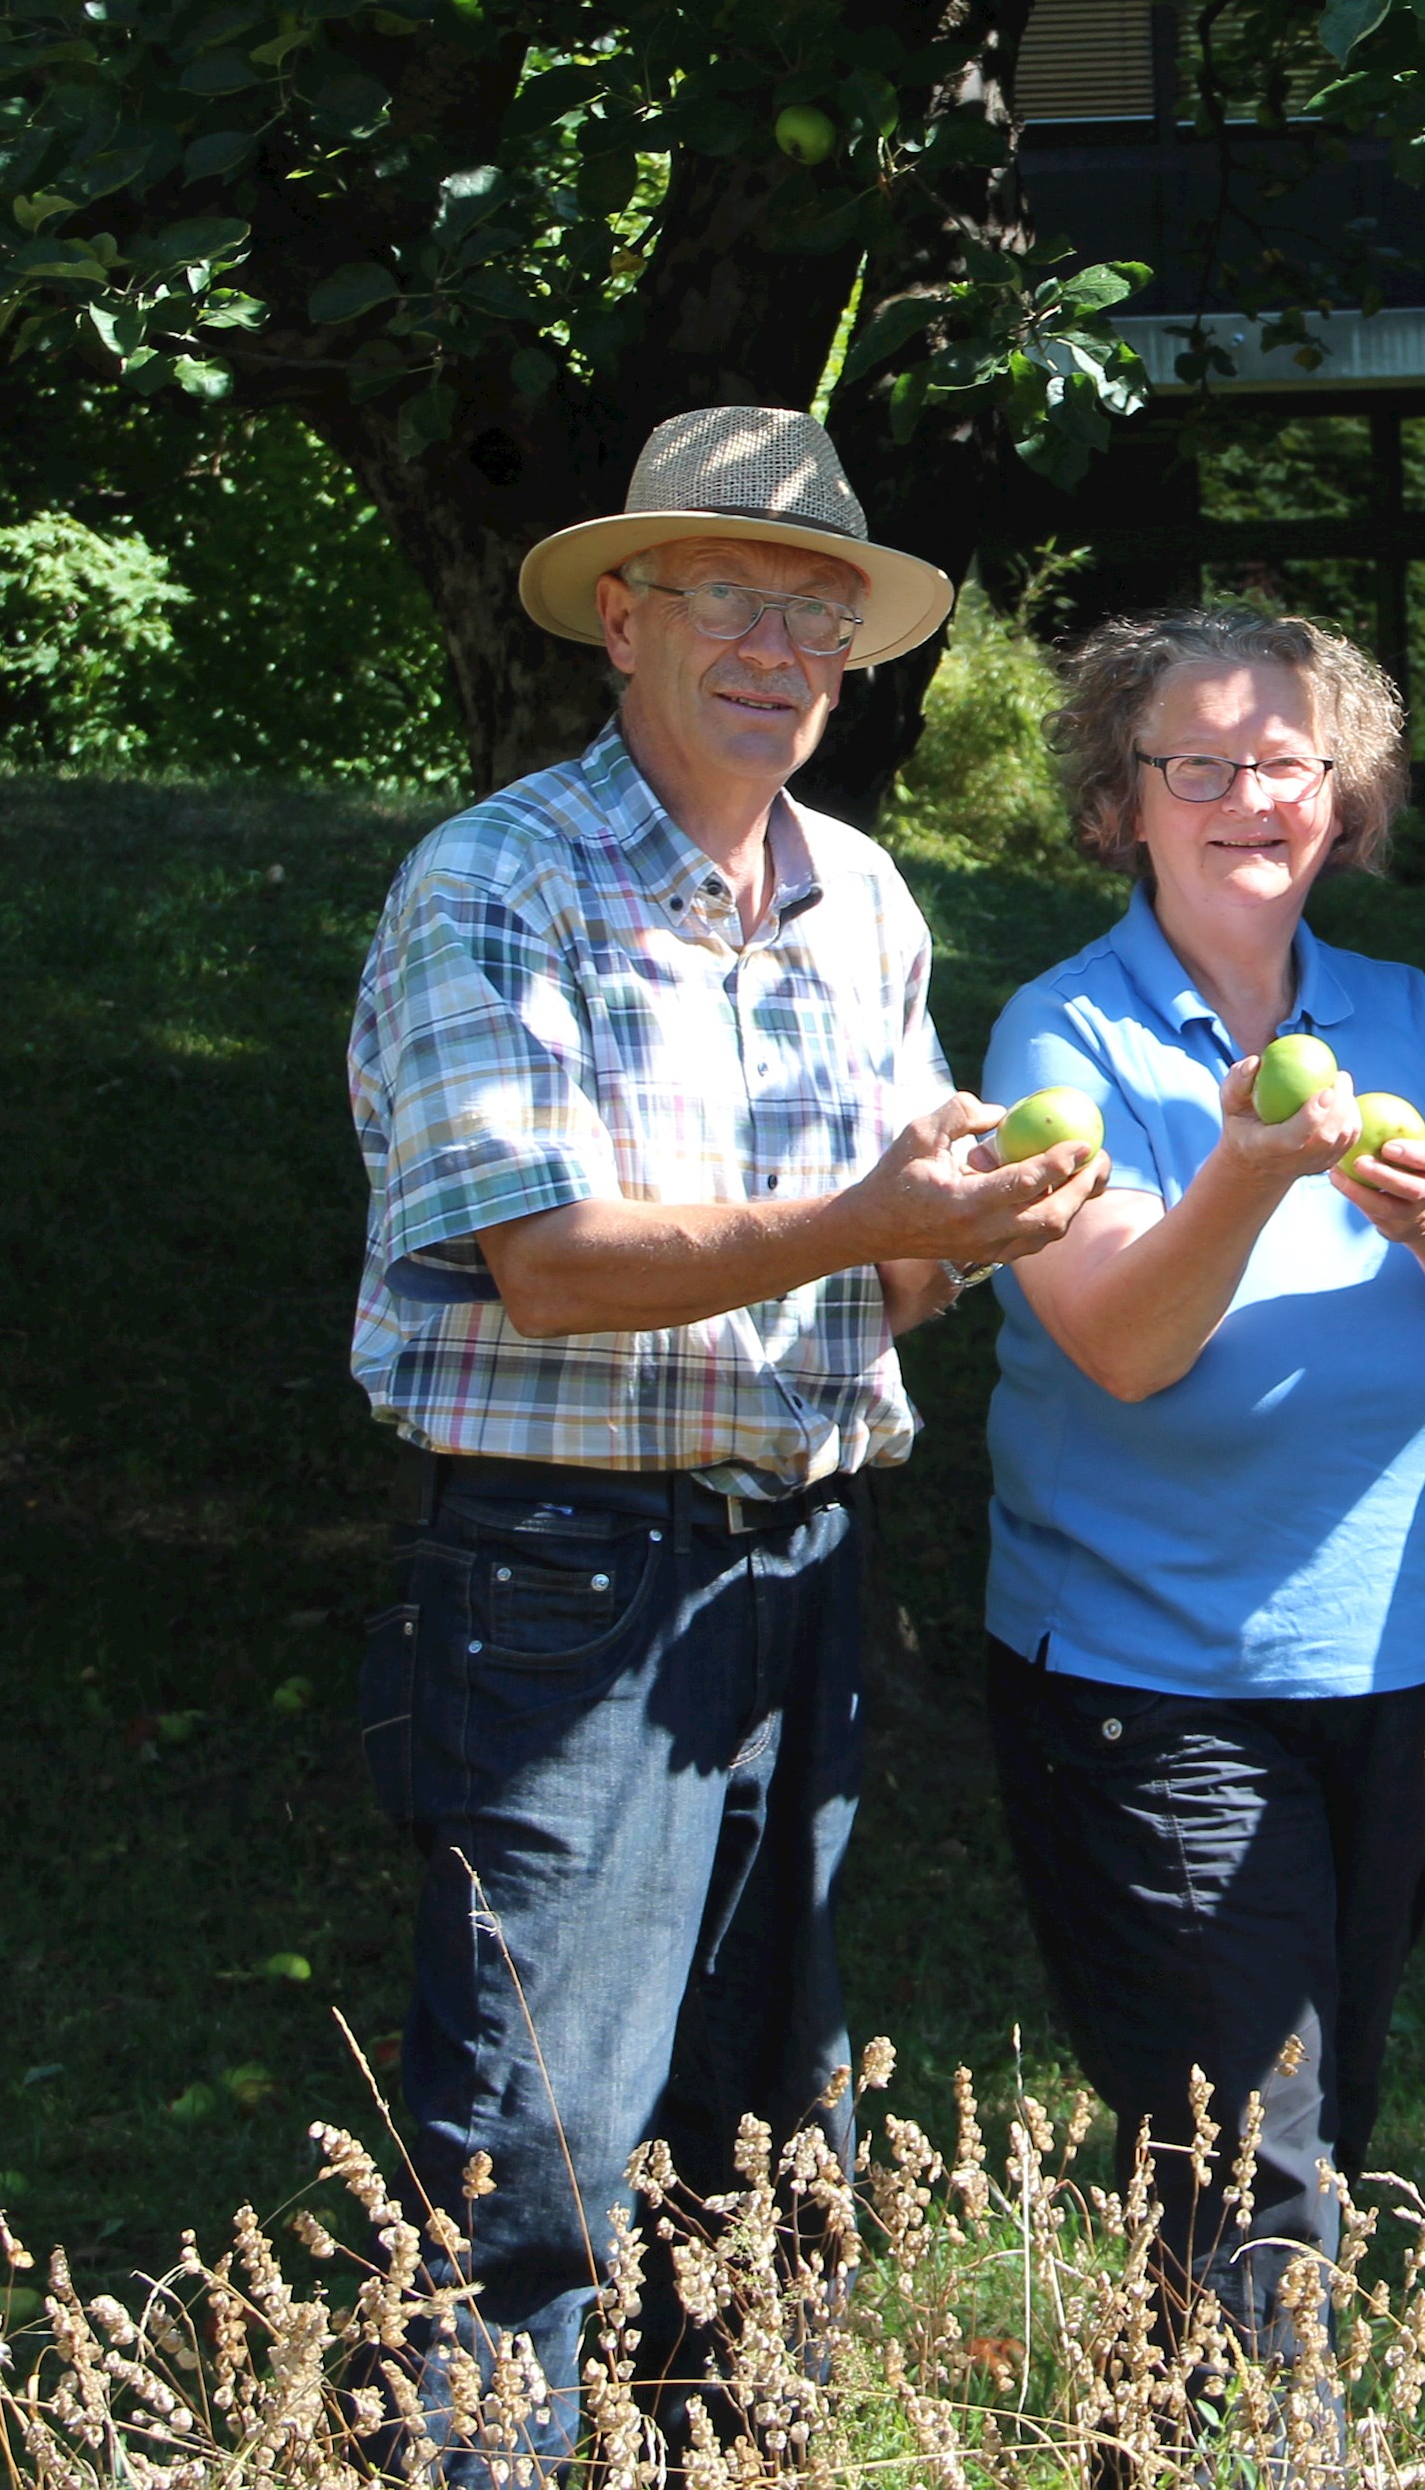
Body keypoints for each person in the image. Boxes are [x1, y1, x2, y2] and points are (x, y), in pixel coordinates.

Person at [346, 404, 1106, 2459]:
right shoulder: (497, 883)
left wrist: (965, 1225)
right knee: (537, 2150)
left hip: (801, 1561)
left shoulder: (860, 898)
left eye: (818, 614)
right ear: (621, 613)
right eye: (730, 599)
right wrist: (878, 1217)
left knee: (760, 2149)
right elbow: (544, 1263)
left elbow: (889, 1275)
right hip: (565, 1576)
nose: (779, 648)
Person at [974, 607, 1425, 2381]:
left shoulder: (1406, 1016)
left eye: (1290, 761)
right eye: (1201, 762)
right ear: (1123, 801)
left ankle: (1173, 2436)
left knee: (1297, 2135)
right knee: (1256, 2169)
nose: (1251, 793)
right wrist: (1245, 1173)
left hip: (1382, 1676)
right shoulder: (1061, 1033)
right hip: (1149, 1689)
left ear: (1346, 801)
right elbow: (1117, 1341)